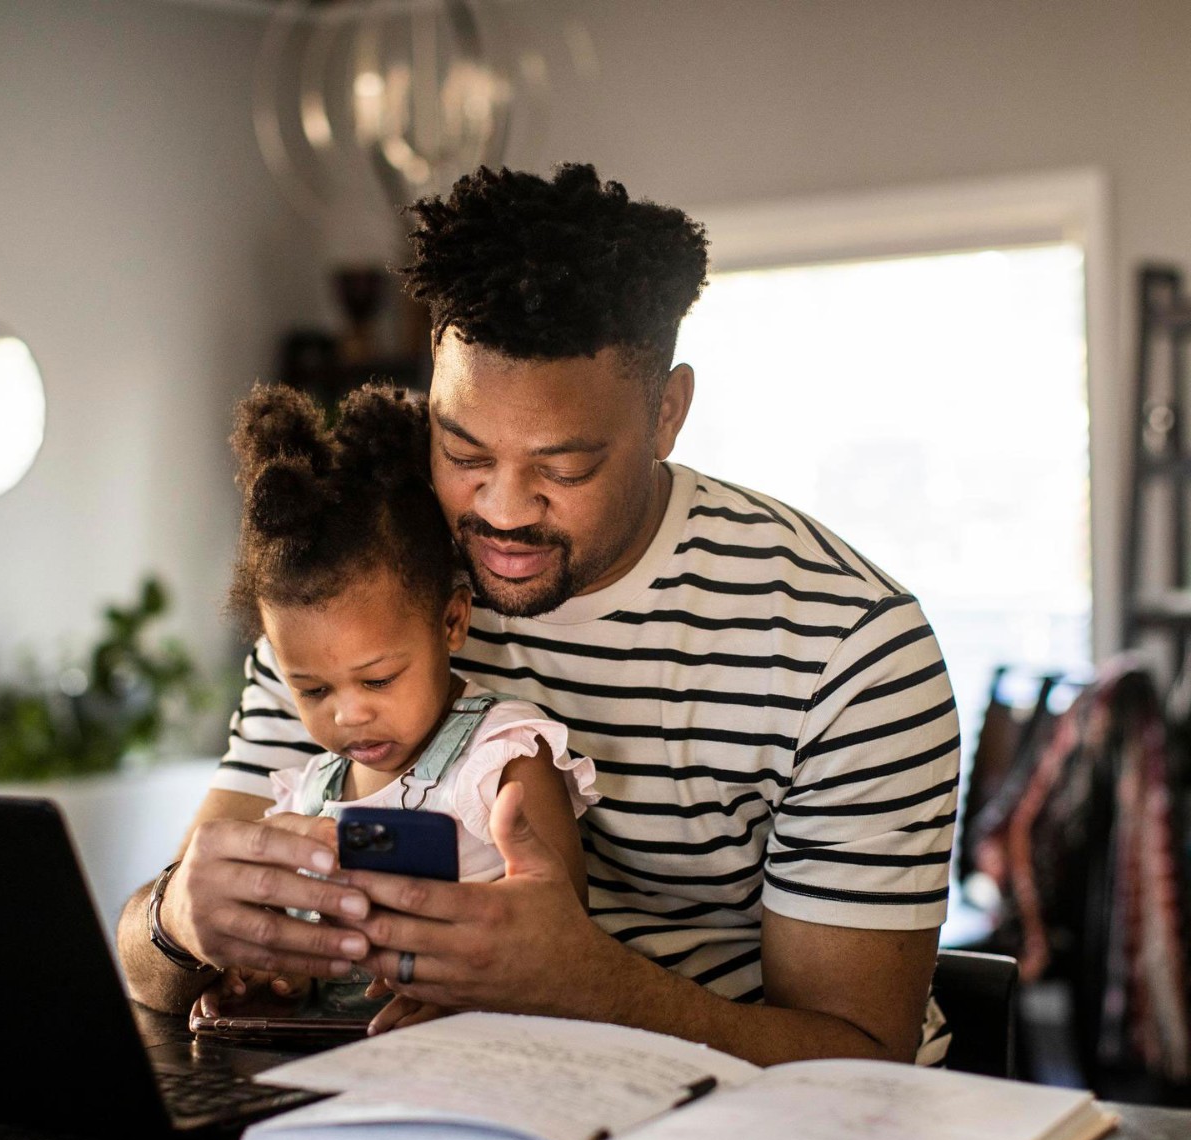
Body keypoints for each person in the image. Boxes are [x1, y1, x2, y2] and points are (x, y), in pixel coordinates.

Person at [119, 163, 959, 1070]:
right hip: (425, 1105)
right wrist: (179, 920)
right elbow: (147, 971)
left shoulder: (846, 648)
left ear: (668, 412)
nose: (505, 511)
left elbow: (862, 1067)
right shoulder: (364, 590)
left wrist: (586, 986)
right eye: (463, 449)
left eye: (565, 468)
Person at [195, 380, 596, 1033]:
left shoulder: (502, 763)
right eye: (314, 690)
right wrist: (274, 974)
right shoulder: (308, 796)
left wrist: (468, 994)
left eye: (377, 680)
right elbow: (304, 949)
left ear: (452, 623)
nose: (348, 716)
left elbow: (562, 949)